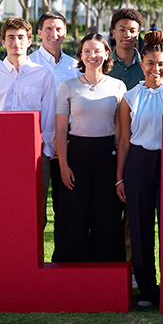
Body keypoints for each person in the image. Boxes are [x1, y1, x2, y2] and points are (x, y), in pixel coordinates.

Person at [116, 30, 163, 307]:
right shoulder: (129, 98)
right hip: (138, 163)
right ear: (142, 62)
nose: (155, 69)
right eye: (150, 63)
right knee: (139, 227)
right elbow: (124, 141)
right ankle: (147, 290)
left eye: (161, 64)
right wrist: (119, 178)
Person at [54, 33, 126, 263]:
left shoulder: (118, 86)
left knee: (106, 215)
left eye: (97, 51)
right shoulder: (68, 86)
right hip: (76, 155)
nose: (92, 55)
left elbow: (122, 131)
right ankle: (73, 271)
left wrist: (119, 174)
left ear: (106, 54)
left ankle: (106, 272)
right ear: (81, 55)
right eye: (87, 51)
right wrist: (64, 166)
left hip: (107, 154)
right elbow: (61, 130)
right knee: (74, 215)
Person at [0, 18, 56, 180]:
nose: (16, 42)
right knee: (2, 202)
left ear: (29, 41)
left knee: (34, 204)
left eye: (21, 37)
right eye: (11, 37)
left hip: (34, 152)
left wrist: (46, 153)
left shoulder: (43, 75)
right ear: (3, 42)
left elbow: (49, 116)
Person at [29, 11, 78, 225]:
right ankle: (32, 258)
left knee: (67, 209)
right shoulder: (28, 65)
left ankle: (63, 257)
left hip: (69, 145)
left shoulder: (76, 67)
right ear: (39, 32)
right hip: (36, 146)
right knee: (36, 210)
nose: (54, 33)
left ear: (65, 32)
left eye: (59, 29)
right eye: (48, 28)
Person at [108, 8, 144, 91]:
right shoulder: (103, 66)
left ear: (138, 34)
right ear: (114, 33)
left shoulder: (147, 67)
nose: (127, 35)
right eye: (122, 30)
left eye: (132, 31)